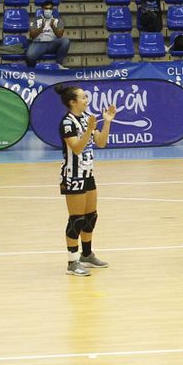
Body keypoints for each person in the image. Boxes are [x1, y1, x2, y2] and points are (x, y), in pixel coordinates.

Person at [54, 84, 116, 277]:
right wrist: (89, 129)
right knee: (76, 219)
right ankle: (72, 263)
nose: (86, 100)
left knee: (91, 216)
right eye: (82, 98)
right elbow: (77, 148)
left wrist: (106, 122)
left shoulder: (85, 119)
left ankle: (87, 255)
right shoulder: (67, 122)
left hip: (88, 173)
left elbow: (101, 143)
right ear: (73, 102)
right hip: (73, 175)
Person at [25, 0, 69, 66]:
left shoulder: (57, 20)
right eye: (46, 8)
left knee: (66, 41)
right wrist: (41, 28)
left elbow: (60, 35)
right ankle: (33, 70)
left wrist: (53, 26)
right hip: (39, 44)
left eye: (50, 8)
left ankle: (59, 64)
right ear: (43, 9)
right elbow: (32, 35)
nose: (48, 10)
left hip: (52, 44)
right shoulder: (36, 20)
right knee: (29, 56)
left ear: (52, 9)